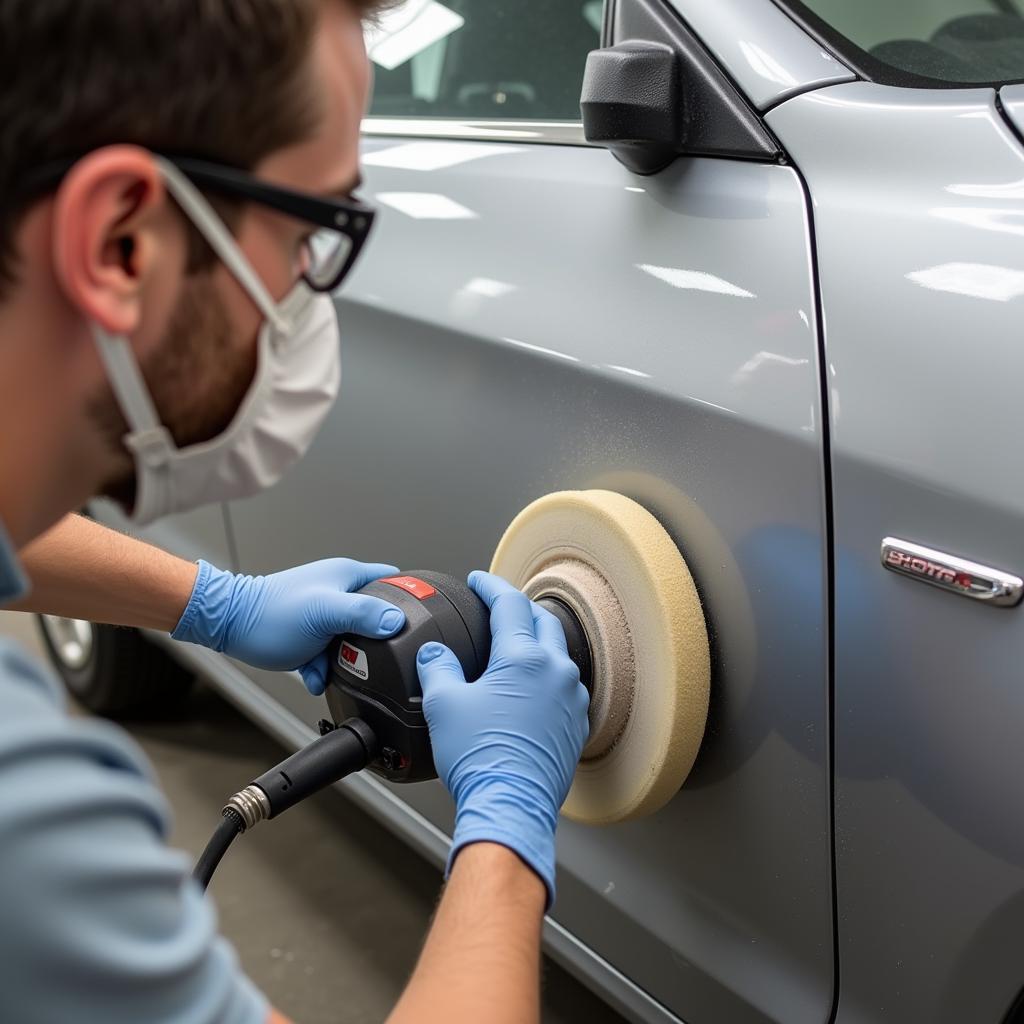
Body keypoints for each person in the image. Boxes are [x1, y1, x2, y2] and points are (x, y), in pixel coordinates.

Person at [0, 1, 590, 1022]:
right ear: (121, 243)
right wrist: (505, 829)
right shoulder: (29, 825)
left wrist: (215, 603)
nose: (305, 293)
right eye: (310, 232)